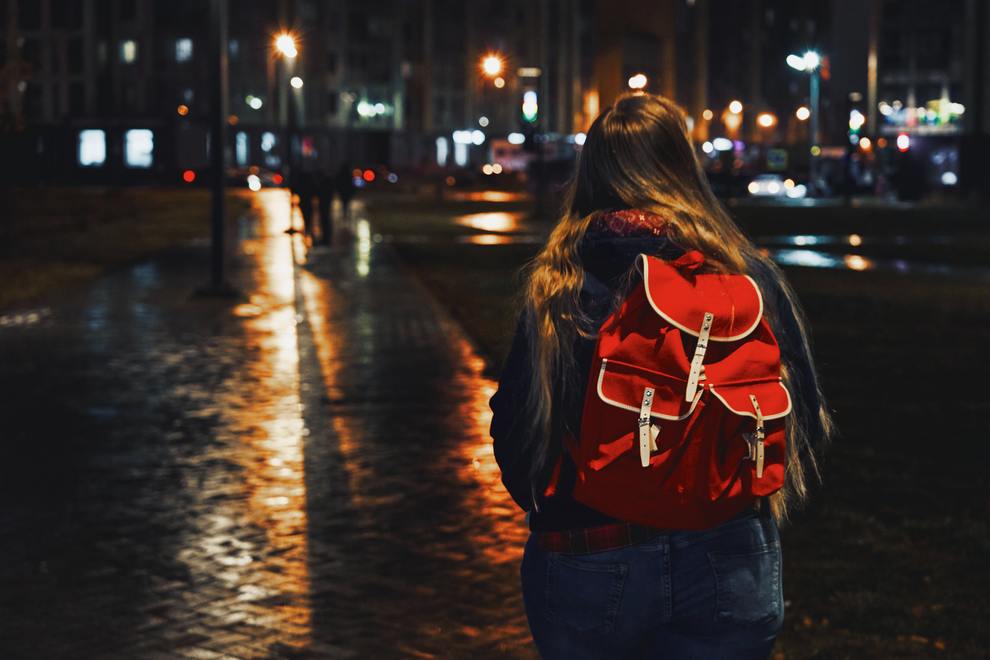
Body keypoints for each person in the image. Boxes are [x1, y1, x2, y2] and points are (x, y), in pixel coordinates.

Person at [489, 93, 833, 659]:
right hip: (729, 552)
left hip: (592, 551)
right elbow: (803, 418)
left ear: (592, 172)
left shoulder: (563, 285)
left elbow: (518, 429)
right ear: (684, 167)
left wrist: (557, 509)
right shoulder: (748, 279)